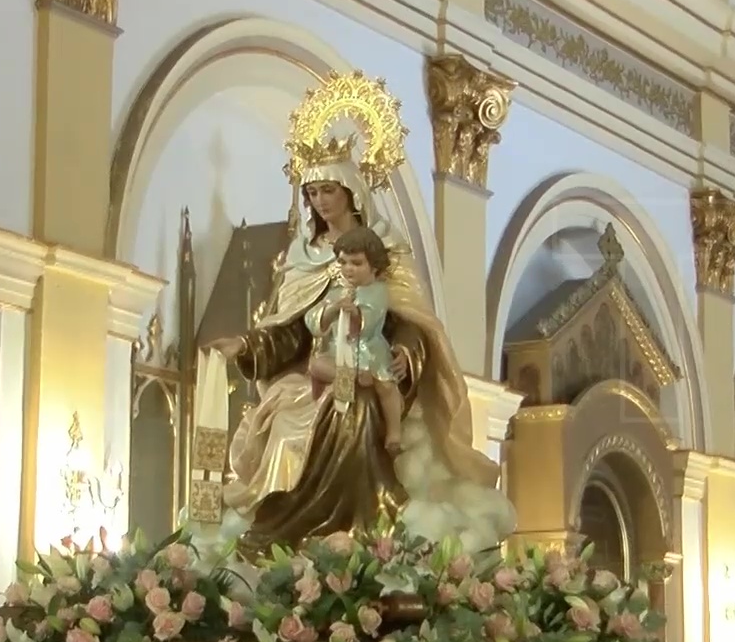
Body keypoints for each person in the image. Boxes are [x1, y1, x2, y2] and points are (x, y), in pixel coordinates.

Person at [197, 121, 513, 559]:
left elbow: (407, 316)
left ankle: (364, 526)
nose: (320, 201)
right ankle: (286, 528)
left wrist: (405, 352)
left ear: (351, 191)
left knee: (356, 408)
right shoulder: (301, 255)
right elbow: (292, 328)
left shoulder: (383, 246)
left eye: (328, 190)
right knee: (288, 425)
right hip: (311, 374)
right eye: (311, 193)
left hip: (370, 366)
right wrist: (248, 347)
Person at [308, 226, 403, 458]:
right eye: (343, 262)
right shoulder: (335, 291)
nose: (348, 269)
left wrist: (357, 314)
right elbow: (313, 320)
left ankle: (394, 432)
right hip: (337, 352)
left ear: (375, 266)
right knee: (315, 365)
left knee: (387, 387)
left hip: (369, 351)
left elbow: (370, 321)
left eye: (356, 263)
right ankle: (354, 377)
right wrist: (330, 311)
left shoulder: (377, 292)